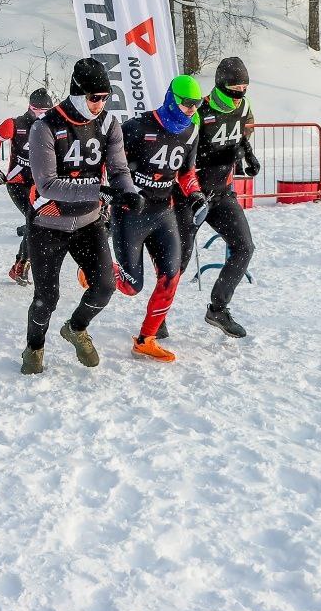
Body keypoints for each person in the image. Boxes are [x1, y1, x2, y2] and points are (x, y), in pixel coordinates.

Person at [19, 58, 139, 375]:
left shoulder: (109, 125)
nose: (99, 104)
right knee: (47, 298)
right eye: (93, 98)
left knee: (105, 286)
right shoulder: (45, 127)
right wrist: (98, 191)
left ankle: (76, 328)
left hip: (87, 222)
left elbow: (119, 170)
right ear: (76, 94)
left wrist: (128, 192)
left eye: (105, 97)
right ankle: (34, 348)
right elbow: (47, 183)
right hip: (48, 223)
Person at [113, 76, 204, 363]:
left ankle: (146, 339)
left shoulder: (191, 130)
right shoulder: (137, 127)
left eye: (196, 104)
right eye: (186, 103)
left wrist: (196, 195)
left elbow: (186, 172)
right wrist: (124, 193)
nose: (190, 110)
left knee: (170, 277)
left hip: (163, 211)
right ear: (170, 98)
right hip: (132, 213)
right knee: (131, 286)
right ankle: (98, 270)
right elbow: (113, 168)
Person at [172, 56, 257, 339]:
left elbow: (240, 137)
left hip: (222, 194)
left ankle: (218, 308)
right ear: (221, 86)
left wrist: (248, 155)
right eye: (233, 91)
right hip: (191, 196)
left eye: (243, 89)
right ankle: (156, 317)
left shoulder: (244, 107)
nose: (238, 96)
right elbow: (186, 157)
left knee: (244, 247)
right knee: (178, 263)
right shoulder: (201, 110)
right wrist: (223, 154)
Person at [0, 88, 53, 286]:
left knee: (41, 223)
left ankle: (24, 263)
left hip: (41, 184)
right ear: (29, 108)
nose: (42, 115)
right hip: (18, 183)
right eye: (37, 111)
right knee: (35, 220)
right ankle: (21, 265)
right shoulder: (16, 123)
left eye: (46, 112)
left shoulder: (53, 125)